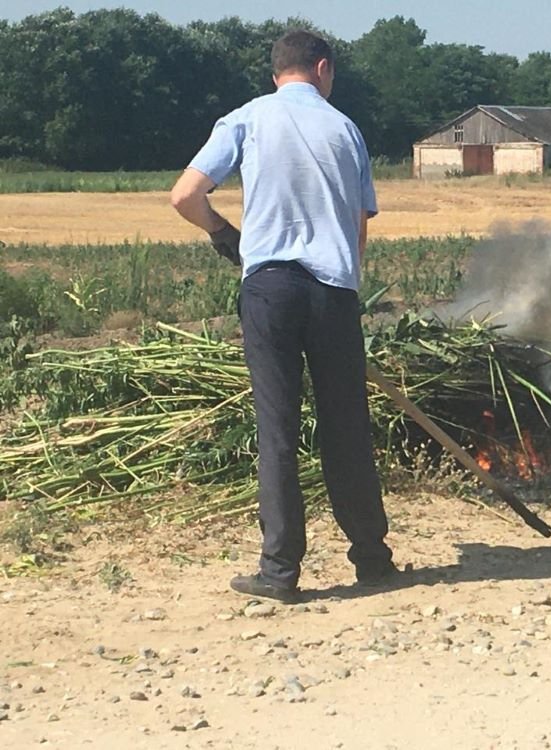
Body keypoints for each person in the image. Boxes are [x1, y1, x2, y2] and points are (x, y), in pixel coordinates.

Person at [170, 29, 395, 602]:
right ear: (322, 69)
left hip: (270, 289)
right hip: (334, 292)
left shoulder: (246, 118)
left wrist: (226, 236)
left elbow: (185, 196)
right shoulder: (346, 128)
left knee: (278, 429)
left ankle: (279, 572)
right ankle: (371, 558)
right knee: (347, 426)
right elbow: (358, 223)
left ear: (278, 73)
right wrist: (346, 288)